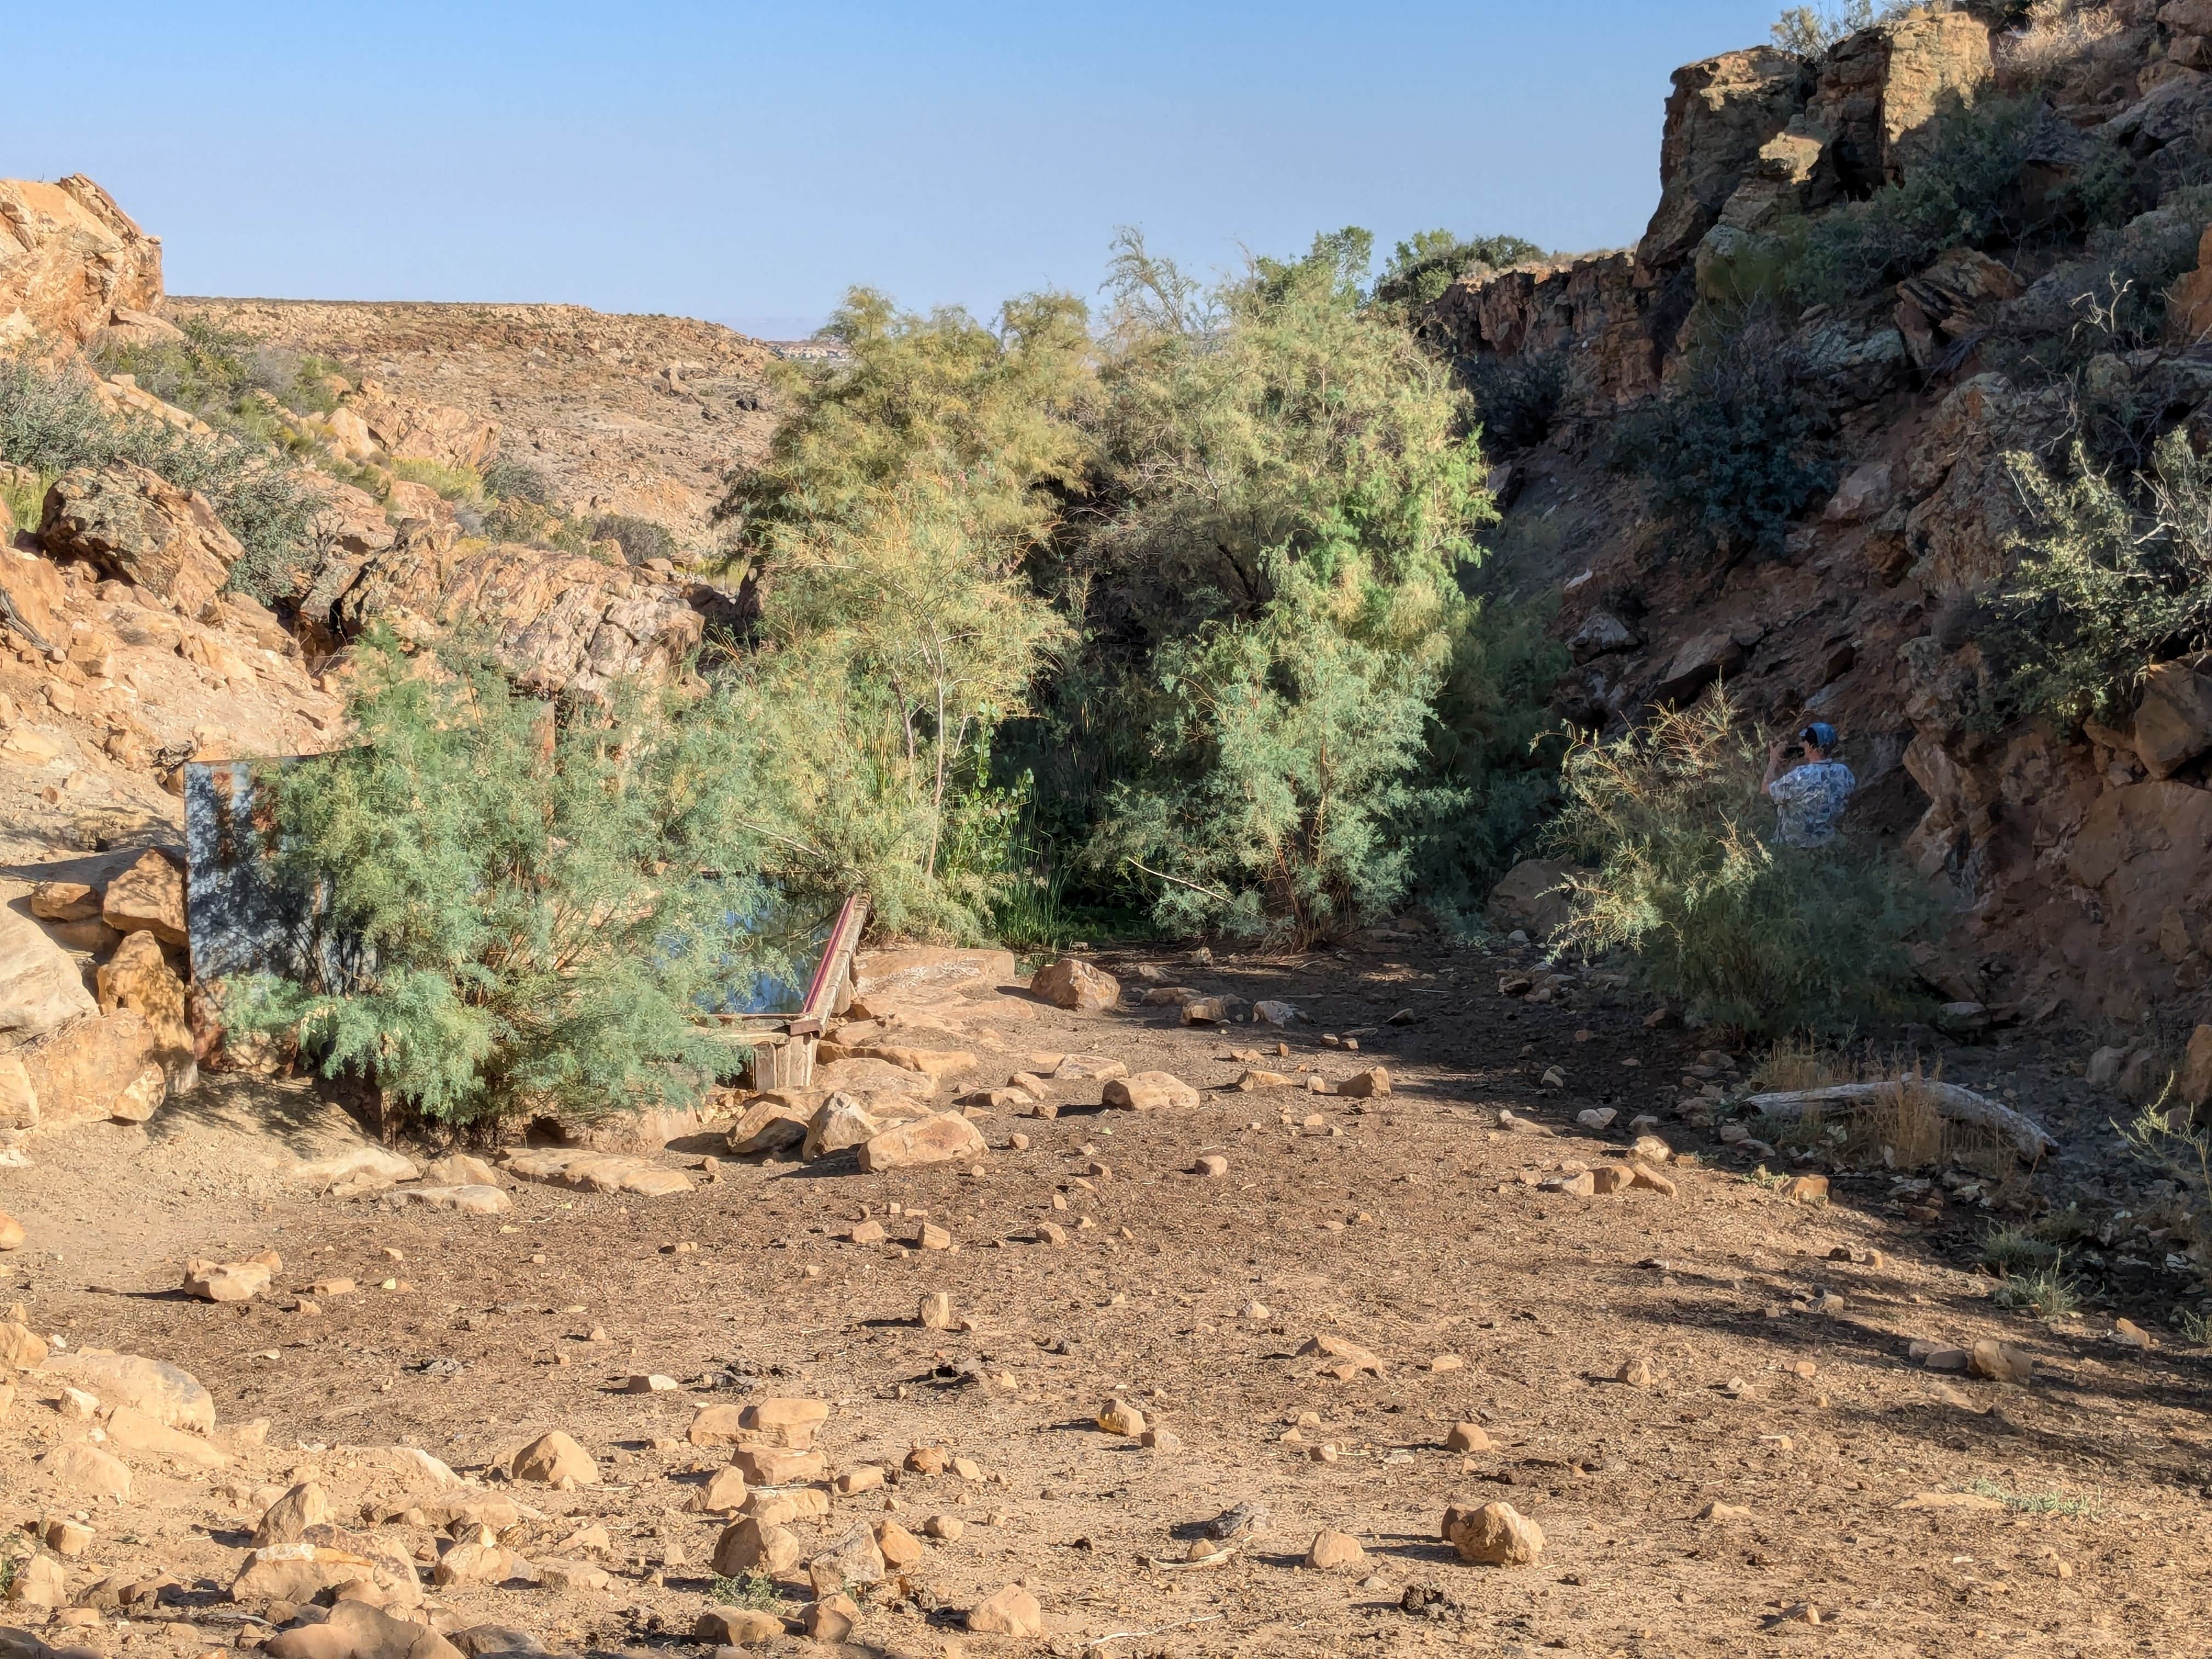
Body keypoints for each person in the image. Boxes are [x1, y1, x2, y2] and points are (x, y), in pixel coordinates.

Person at [1762, 721, 1856, 848]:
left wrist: (1773, 760)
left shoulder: (1801, 776)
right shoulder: (1845, 773)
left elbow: (1766, 791)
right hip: (1825, 847)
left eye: (1805, 741)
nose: (1802, 744)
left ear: (1812, 747)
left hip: (1792, 847)